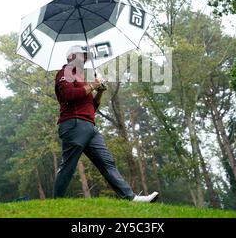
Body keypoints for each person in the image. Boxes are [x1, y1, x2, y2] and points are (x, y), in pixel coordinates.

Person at [53, 45, 159, 202]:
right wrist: (92, 86)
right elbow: (69, 95)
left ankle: (131, 197)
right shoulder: (65, 73)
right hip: (73, 124)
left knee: (107, 162)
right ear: (71, 57)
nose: (85, 58)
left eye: (86, 56)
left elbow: (91, 107)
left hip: (90, 126)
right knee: (68, 166)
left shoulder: (82, 77)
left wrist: (99, 92)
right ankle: (56, 201)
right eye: (82, 55)